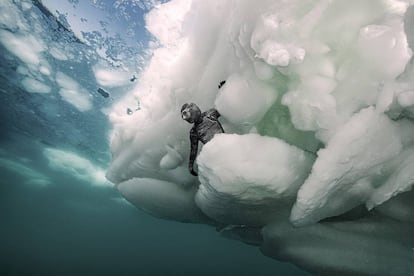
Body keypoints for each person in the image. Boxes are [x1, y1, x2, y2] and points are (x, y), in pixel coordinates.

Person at [181, 103, 224, 176]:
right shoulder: (194, 132)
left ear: (192, 110)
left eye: (186, 114)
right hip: (218, 156)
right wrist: (190, 166)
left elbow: (227, 109)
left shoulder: (210, 114)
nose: (185, 117)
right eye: (183, 116)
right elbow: (193, 150)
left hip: (227, 147)